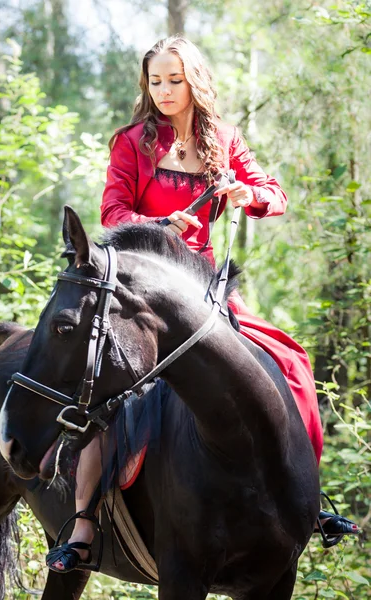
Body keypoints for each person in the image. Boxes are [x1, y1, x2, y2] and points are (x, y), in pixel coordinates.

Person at [46, 35, 358, 573]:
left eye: (175, 79)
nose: (163, 90)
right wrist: (161, 224)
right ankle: (82, 522)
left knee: (290, 363)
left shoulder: (223, 139)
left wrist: (248, 194)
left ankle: (305, 499)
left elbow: (274, 194)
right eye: (155, 80)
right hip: (140, 289)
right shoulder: (131, 143)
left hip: (206, 292)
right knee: (106, 387)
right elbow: (113, 210)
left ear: (195, 82)